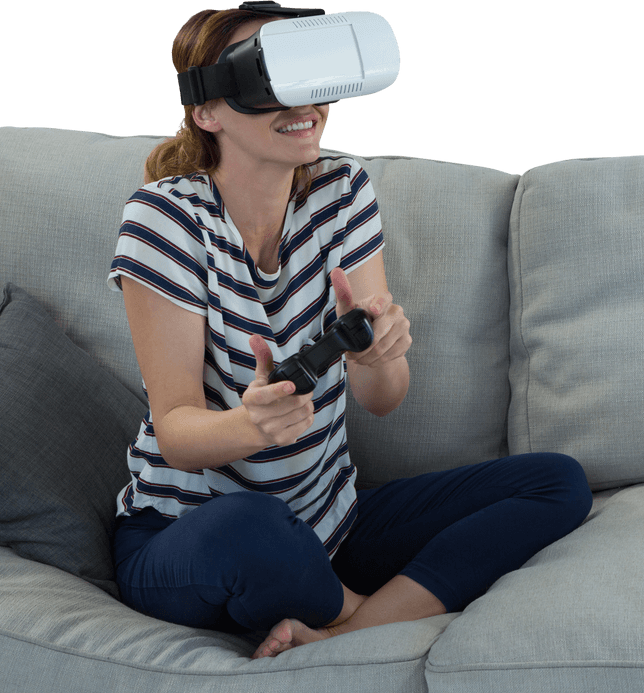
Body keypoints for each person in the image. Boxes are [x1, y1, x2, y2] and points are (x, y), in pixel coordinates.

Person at [107, 4, 592, 660]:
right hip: (185, 534)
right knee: (251, 526)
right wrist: (251, 427)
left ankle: (347, 629)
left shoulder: (342, 192)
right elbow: (178, 432)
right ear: (207, 110)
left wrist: (375, 355)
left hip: (332, 522)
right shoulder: (165, 219)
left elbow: (383, 397)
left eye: (309, 78)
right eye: (268, 81)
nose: (303, 104)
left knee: (556, 481)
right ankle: (383, 620)